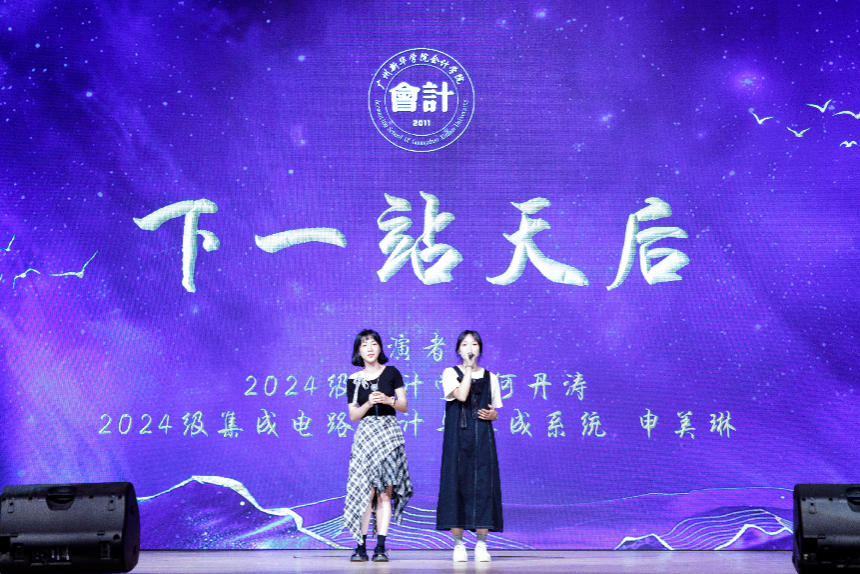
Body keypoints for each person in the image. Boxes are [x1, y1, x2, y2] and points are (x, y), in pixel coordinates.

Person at [343, 329, 412, 562]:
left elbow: (404, 406)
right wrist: (368, 403)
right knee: (365, 491)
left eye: (373, 343)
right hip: (366, 437)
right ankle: (360, 546)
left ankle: (381, 547)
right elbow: (353, 416)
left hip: (389, 435)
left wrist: (388, 400)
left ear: (380, 347)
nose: (370, 348)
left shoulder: (392, 372)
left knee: (384, 493)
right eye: (364, 345)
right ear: (358, 351)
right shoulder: (354, 379)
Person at [436, 330, 504, 562]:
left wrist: (494, 415)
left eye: (474, 344)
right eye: (465, 344)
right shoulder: (450, 373)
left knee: (483, 486)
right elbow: (462, 396)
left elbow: (495, 410)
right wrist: (467, 368)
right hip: (457, 438)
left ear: (480, 349)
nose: (470, 348)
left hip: (482, 438)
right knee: (455, 485)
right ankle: (458, 544)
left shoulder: (491, 377)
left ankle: (482, 544)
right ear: (458, 350)